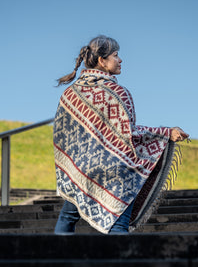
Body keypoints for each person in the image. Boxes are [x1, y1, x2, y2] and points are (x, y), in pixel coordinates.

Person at [53, 35, 189, 234]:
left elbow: (63, 136)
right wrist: (166, 133)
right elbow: (129, 134)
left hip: (81, 173)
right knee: (118, 225)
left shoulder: (70, 94)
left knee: (67, 217)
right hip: (115, 174)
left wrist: (77, 165)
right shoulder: (117, 92)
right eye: (116, 55)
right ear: (102, 61)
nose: (121, 60)